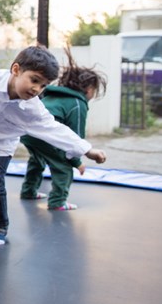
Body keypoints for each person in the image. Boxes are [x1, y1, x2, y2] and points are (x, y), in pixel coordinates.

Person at [0, 19, 107, 246]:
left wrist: (87, 150)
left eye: (43, 85)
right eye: (34, 80)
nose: (37, 89)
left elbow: (55, 129)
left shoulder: (33, 108)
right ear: (16, 70)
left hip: (1, 145)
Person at [20, 48, 107, 210]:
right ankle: (57, 201)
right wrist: (76, 162)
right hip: (44, 135)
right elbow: (75, 137)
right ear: (89, 89)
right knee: (63, 167)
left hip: (27, 134)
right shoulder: (77, 104)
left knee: (37, 160)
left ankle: (28, 191)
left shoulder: (51, 94)